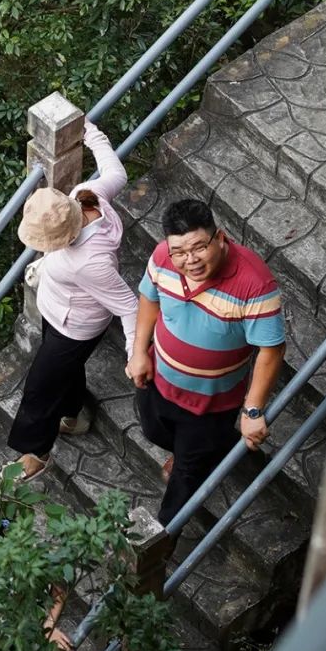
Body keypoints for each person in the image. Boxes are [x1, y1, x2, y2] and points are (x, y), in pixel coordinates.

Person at [125, 197, 286, 527]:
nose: (190, 260)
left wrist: (253, 410)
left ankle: (160, 543)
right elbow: (148, 296)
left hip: (210, 404)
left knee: (186, 475)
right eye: (180, 252)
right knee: (153, 430)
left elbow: (271, 350)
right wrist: (139, 351)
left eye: (199, 247)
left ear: (221, 237)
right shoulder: (162, 258)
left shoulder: (255, 284)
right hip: (158, 378)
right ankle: (192, 452)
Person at [8, 121, 138, 482]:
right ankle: (75, 415)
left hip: (75, 326)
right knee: (65, 370)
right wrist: (93, 134)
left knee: (39, 387)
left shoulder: (89, 262)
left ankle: (36, 452)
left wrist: (135, 353)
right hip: (60, 310)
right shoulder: (86, 195)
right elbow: (116, 172)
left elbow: (128, 305)